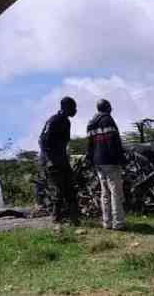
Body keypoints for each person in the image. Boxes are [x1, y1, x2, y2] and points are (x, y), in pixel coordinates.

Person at [87, 99, 126, 230]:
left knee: (104, 193)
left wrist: (91, 160)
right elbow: (114, 143)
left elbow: (90, 146)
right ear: (107, 108)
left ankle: (106, 222)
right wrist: (121, 159)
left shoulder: (91, 123)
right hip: (110, 161)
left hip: (98, 162)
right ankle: (118, 223)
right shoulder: (108, 120)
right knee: (115, 192)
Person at [38, 96, 79, 225]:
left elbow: (64, 143)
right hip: (53, 162)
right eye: (73, 107)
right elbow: (43, 141)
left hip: (62, 160)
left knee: (70, 190)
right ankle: (56, 219)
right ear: (65, 107)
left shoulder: (67, 122)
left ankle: (74, 219)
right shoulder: (54, 120)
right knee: (59, 191)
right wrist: (49, 160)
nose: (75, 110)